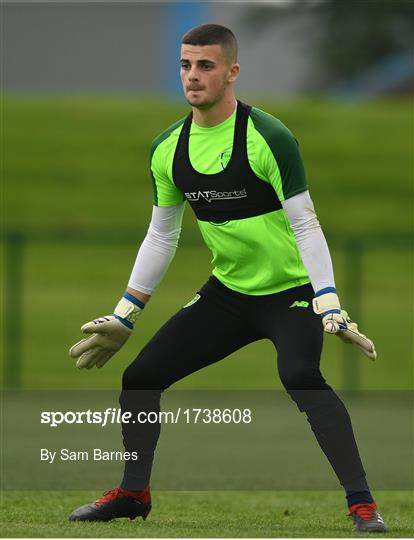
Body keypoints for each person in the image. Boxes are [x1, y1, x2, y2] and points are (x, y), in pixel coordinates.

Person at [68, 24, 386, 533]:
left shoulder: (270, 137)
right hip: (229, 295)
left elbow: (306, 223)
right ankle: (132, 494)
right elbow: (161, 236)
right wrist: (126, 314)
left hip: (290, 295)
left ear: (232, 71)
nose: (193, 76)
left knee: (300, 377)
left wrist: (327, 300)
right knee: (141, 378)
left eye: (206, 66)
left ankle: (362, 504)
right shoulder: (167, 149)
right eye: (185, 65)